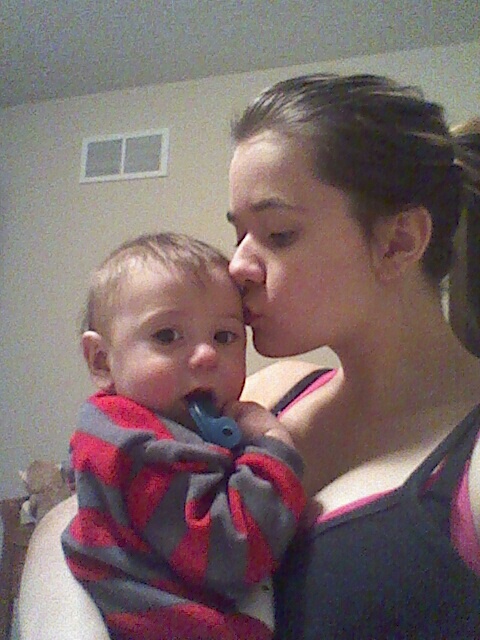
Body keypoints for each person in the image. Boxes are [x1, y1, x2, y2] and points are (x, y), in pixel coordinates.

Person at [226, 74, 480, 638]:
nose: (237, 266)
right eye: (239, 234)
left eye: (278, 234)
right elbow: (90, 511)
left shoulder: (470, 468)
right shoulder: (263, 396)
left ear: (398, 242)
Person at [61, 232, 307, 640]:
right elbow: (234, 551)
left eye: (224, 337)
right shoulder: (138, 448)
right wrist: (272, 447)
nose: (207, 355)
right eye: (166, 336)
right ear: (102, 362)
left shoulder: (136, 427)